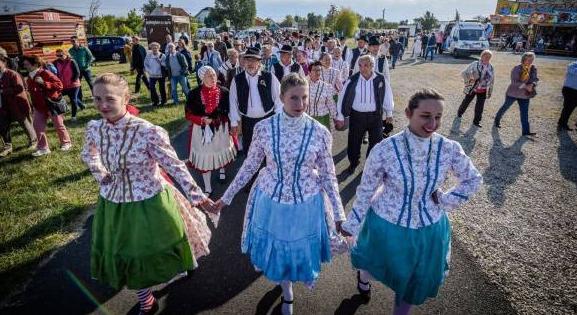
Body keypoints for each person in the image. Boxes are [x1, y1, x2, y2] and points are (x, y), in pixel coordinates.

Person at [81, 73, 215, 315]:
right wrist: (101, 173)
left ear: (126, 98)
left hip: (150, 201)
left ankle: (181, 267)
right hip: (113, 202)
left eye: (109, 99)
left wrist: (197, 196)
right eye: (97, 99)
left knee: (160, 247)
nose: (102, 106)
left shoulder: (147, 131)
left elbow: (175, 165)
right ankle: (147, 300)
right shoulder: (94, 128)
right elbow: (88, 154)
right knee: (126, 253)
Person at [340, 88, 483, 315]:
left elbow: (473, 179)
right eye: (425, 116)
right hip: (386, 223)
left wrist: (446, 201)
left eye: (438, 117)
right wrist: (351, 226)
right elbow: (365, 190)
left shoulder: (449, 148)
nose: (432, 123)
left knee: (412, 282)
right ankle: (364, 280)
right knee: (369, 264)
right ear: (408, 113)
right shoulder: (385, 149)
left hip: (429, 229)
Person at [214, 73, 346, 315]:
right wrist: (226, 197)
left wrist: (339, 214)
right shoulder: (264, 128)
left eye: (304, 97)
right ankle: (287, 292)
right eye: (294, 98)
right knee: (280, 251)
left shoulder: (319, 132)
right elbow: (250, 165)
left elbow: (329, 175)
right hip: (272, 200)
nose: (300, 104)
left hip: (306, 201)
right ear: (281, 97)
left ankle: (289, 285)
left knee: (297, 251)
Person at [336, 55, 394, 174]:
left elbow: (387, 95)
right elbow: (343, 97)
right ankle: (353, 162)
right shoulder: (353, 79)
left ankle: (369, 165)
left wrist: (389, 113)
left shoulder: (380, 79)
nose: (362, 68)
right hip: (357, 116)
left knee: (376, 142)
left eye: (366, 65)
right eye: (360, 66)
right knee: (354, 142)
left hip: (376, 116)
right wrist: (340, 115)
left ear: (372, 66)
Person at [185, 66, 237, 194]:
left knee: (222, 151)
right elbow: (188, 114)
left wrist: (231, 126)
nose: (213, 78)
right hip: (202, 131)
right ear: (202, 78)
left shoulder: (224, 91)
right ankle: (208, 187)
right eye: (209, 75)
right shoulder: (194, 94)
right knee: (205, 158)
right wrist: (201, 120)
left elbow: (231, 111)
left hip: (221, 129)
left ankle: (222, 170)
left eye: (214, 74)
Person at [229, 47, 283, 153]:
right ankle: (252, 170)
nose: (250, 63)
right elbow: (233, 101)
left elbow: (279, 98)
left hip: (267, 119)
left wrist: (279, 118)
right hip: (248, 122)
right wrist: (234, 122)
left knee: (269, 150)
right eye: (248, 60)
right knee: (250, 150)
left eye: (254, 60)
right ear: (244, 62)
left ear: (259, 62)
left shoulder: (269, 77)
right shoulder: (237, 80)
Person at [22, 55, 72, 157]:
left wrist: (44, 83)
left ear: (35, 64)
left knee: (59, 125)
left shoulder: (45, 73)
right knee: (37, 127)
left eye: (26, 63)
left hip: (51, 104)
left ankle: (66, 143)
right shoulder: (29, 78)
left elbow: (59, 85)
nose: (24, 65)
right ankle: (43, 148)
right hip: (39, 107)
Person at [0, 53, 37, 157]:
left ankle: (33, 140)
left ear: (4, 63)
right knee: (3, 126)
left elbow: (19, 88)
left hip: (17, 104)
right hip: (3, 106)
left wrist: (3, 91)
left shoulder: (12, 74)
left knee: (24, 122)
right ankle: (8, 147)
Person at [494, 52, 539, 136]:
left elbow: (535, 78)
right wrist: (526, 86)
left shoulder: (533, 68)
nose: (530, 61)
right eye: (528, 60)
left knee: (524, 113)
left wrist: (532, 84)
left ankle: (526, 132)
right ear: (523, 59)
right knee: (505, 107)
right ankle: (497, 120)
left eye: (531, 60)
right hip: (512, 93)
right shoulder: (517, 68)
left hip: (525, 95)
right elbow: (514, 82)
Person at [457, 50, 495, 128]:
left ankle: (476, 121)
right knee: (466, 101)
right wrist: (470, 78)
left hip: (483, 89)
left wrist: (490, 90)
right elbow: (464, 73)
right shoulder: (475, 64)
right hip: (473, 88)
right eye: (486, 56)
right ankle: (460, 112)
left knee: (480, 106)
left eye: (489, 57)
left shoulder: (490, 67)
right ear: (482, 56)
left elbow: (492, 79)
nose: (487, 58)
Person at [53, 49, 85, 121]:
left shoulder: (72, 61)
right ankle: (81, 105)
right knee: (58, 97)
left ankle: (74, 116)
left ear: (66, 54)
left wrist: (73, 81)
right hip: (63, 85)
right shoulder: (55, 62)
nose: (59, 57)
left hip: (74, 85)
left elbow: (77, 73)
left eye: (60, 55)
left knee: (73, 99)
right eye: (57, 55)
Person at [307, 61, 336, 128]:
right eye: (314, 70)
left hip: (323, 119)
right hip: (308, 119)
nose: (317, 72)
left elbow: (331, 104)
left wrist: (336, 118)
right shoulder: (303, 86)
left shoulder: (327, 87)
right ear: (309, 72)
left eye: (319, 70)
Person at [68, 35, 94, 100]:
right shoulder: (70, 50)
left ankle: (95, 95)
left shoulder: (84, 48)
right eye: (71, 41)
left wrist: (87, 65)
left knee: (90, 83)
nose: (72, 42)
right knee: (78, 84)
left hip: (86, 69)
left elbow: (91, 57)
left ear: (77, 41)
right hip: (77, 70)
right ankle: (80, 98)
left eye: (73, 41)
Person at [144, 42, 167, 107]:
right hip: (152, 75)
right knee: (152, 88)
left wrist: (161, 62)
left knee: (162, 88)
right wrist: (149, 71)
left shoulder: (162, 55)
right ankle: (155, 101)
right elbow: (145, 64)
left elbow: (166, 65)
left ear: (158, 48)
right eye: (153, 48)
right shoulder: (148, 55)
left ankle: (163, 101)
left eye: (156, 48)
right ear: (151, 48)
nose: (154, 49)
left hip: (160, 75)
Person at [557, 61, 577, 131]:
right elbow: (574, 71)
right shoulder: (572, 65)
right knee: (568, 108)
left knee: (568, 108)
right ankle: (562, 123)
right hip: (570, 90)